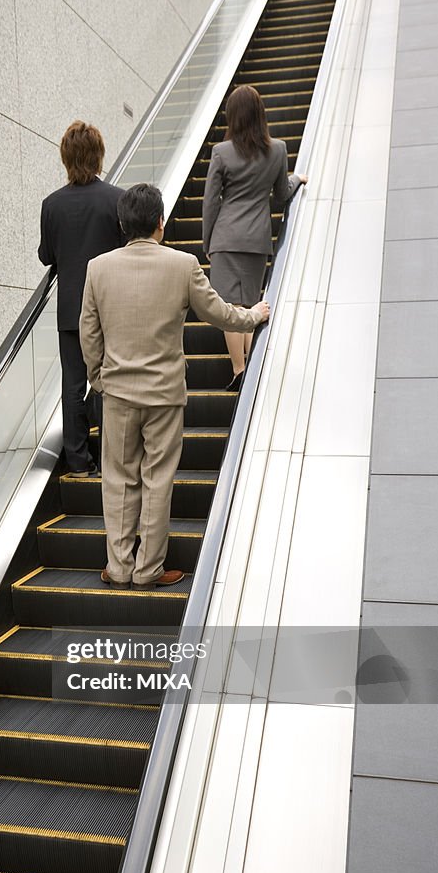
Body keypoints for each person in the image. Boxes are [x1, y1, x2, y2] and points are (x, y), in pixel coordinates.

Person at [79, 183, 269, 590]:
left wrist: (99, 378)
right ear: (161, 223)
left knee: (118, 479)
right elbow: (218, 313)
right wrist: (252, 315)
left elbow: (88, 334)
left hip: (117, 394)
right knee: (157, 478)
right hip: (164, 393)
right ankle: (148, 569)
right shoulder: (182, 265)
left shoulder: (98, 268)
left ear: (122, 223)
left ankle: (118, 568)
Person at [202, 84, 308, 390]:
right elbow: (280, 197)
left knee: (228, 307)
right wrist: (296, 179)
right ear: (260, 114)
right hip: (257, 241)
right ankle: (248, 369)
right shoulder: (277, 150)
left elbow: (210, 202)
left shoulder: (221, 152)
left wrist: (208, 242)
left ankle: (239, 367)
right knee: (249, 304)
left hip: (225, 238)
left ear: (233, 117)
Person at [38, 121, 124, 477]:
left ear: (66, 158)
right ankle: (111, 460)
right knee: (109, 381)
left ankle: (77, 463)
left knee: (73, 385)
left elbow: (47, 255)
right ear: (99, 155)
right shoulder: (118, 199)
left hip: (71, 309)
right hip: (110, 307)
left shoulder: (52, 205)